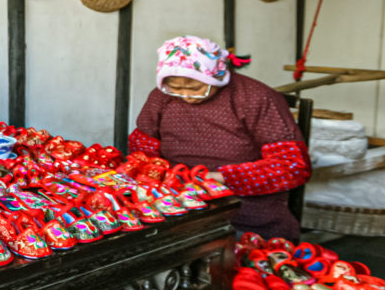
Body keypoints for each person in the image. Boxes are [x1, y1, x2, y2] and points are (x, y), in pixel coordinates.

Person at [129, 35, 311, 240]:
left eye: (196, 88)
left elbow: (292, 165)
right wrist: (156, 176)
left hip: (243, 208)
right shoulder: (161, 97)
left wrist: (221, 178)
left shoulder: (255, 97)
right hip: (175, 201)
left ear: (216, 76)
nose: (187, 96)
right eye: (176, 89)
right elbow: (142, 145)